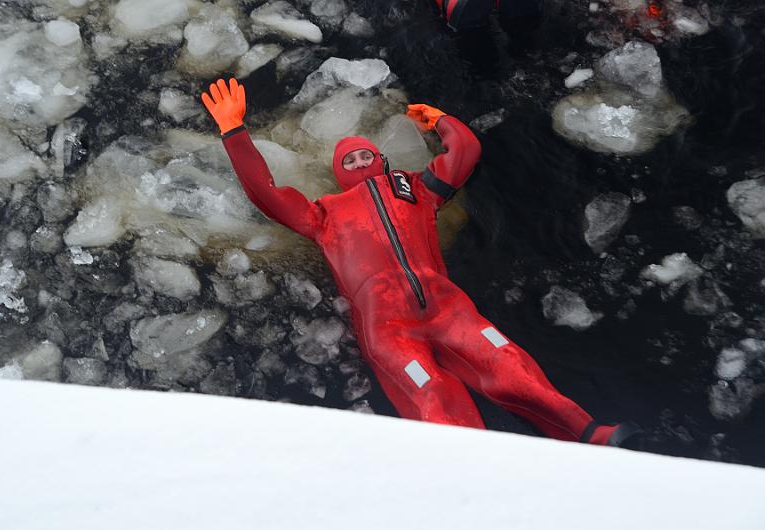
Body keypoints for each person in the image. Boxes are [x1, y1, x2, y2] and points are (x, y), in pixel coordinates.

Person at [201, 77, 641, 447]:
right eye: (348, 160)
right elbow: (268, 194)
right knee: (429, 391)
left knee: (508, 364)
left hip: (445, 306)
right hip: (387, 325)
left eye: (364, 154)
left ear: (381, 159)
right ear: (339, 173)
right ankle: (467, 472)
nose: (358, 161)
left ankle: (585, 434)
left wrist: (442, 121)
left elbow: (465, 152)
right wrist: (234, 132)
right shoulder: (323, 214)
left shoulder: (416, 189)